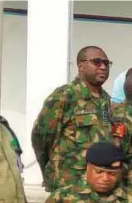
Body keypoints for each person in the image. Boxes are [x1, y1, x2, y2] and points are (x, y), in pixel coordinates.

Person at [31, 46, 112, 192]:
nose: (103, 67)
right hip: (69, 184)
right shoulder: (65, 96)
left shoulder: (107, 100)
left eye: (106, 63)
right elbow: (42, 137)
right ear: (81, 65)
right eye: (97, 62)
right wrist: (50, 169)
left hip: (99, 184)